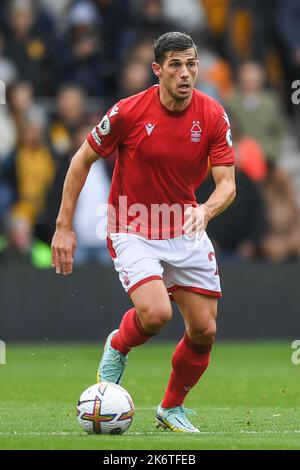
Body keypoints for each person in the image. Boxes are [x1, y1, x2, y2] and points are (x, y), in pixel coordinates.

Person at [51, 32, 236, 433]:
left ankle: (170, 408)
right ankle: (118, 345)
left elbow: (227, 184)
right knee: (155, 314)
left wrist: (207, 209)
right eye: (175, 65)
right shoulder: (127, 112)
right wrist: (63, 226)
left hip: (185, 225)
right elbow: (81, 160)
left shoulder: (212, 115)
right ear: (157, 70)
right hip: (131, 225)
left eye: (191, 64)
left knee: (204, 330)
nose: (186, 73)